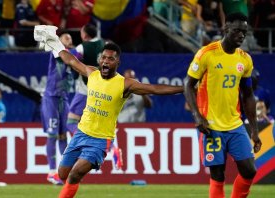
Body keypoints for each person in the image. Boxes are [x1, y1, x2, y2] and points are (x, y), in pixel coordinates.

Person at [35, 27, 183, 198]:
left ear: (117, 63)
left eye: (110, 59)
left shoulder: (125, 84)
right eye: (103, 58)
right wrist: (55, 43)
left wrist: (185, 89)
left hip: (100, 140)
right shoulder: (92, 74)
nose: (105, 62)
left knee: (75, 173)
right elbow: (70, 60)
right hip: (81, 134)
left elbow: (155, 88)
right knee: (63, 174)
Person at [184, 13, 262, 198]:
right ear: (226, 29)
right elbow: (187, 84)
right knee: (218, 175)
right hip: (210, 125)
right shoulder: (207, 53)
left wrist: (254, 129)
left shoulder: (245, 60)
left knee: (249, 171)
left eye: (244, 32)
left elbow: (248, 96)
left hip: (235, 124)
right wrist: (197, 116)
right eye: (237, 31)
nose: (241, 35)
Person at [41, 33, 74, 185]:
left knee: (63, 135)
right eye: (65, 37)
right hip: (52, 98)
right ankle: (51, 171)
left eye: (70, 38)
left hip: (64, 99)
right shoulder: (56, 51)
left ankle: (63, 172)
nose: (69, 39)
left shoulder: (73, 57)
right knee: (52, 134)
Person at [66, 24, 104, 134]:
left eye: (81, 32)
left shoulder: (82, 47)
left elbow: (70, 60)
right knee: (98, 124)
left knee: (71, 121)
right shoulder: (104, 44)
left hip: (86, 90)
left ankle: (84, 142)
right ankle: (113, 148)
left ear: (85, 35)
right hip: (102, 89)